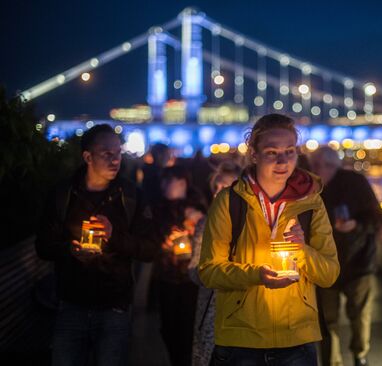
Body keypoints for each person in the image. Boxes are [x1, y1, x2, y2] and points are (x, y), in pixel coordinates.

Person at [198, 113, 340, 365]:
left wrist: (302, 250)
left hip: (297, 338)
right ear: (253, 154)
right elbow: (209, 271)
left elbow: (329, 274)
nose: (283, 160)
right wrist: (256, 275)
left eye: (290, 151)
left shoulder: (312, 203)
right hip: (241, 340)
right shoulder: (229, 202)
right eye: (272, 152)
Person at [35, 124, 159, 366]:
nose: (116, 160)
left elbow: (149, 249)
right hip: (70, 305)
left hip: (115, 307)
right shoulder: (63, 195)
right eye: (107, 154)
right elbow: (43, 247)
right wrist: (70, 250)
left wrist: (113, 236)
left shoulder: (131, 196)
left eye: (118, 153)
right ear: (87, 157)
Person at [309, 146, 382, 366]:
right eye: (313, 165)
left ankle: (360, 355)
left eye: (318, 165)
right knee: (327, 320)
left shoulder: (355, 182)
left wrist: (356, 225)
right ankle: (332, 361)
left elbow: (376, 218)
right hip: (326, 265)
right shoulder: (312, 188)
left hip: (358, 261)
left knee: (359, 315)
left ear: (331, 165)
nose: (314, 170)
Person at [151, 166, 207, 366]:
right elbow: (152, 238)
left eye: (169, 181)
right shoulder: (157, 208)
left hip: (190, 278)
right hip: (166, 275)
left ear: (183, 183)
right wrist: (165, 242)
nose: (164, 185)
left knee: (187, 326)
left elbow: (205, 236)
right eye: (163, 181)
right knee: (168, 327)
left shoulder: (196, 208)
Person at [189, 161, 242, 366]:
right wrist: (212, 273)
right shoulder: (205, 223)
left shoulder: (251, 223)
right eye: (217, 187)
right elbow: (194, 270)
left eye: (226, 187)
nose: (218, 192)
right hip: (212, 308)